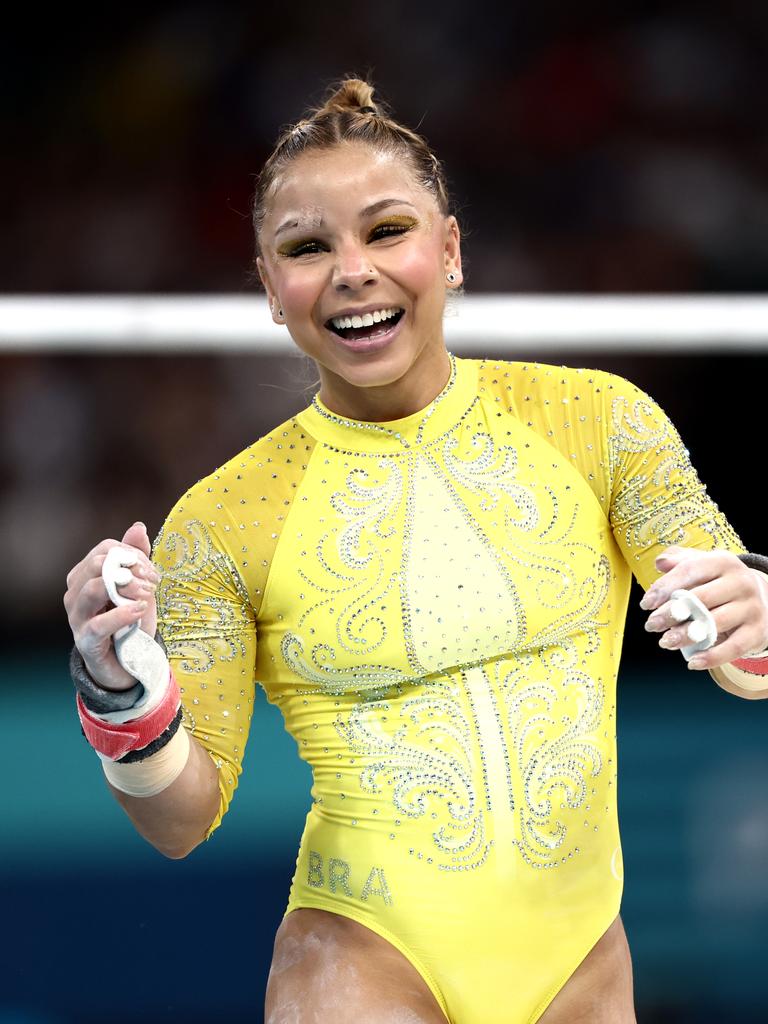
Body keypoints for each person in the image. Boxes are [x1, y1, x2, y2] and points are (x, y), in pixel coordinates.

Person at [63, 78, 768, 1024]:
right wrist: (122, 695)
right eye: (308, 249)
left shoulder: (600, 422)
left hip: (583, 967)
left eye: (387, 231)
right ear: (273, 291)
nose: (352, 270)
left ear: (450, 250)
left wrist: (749, 621)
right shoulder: (223, 521)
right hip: (359, 960)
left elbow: (748, 657)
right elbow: (181, 821)